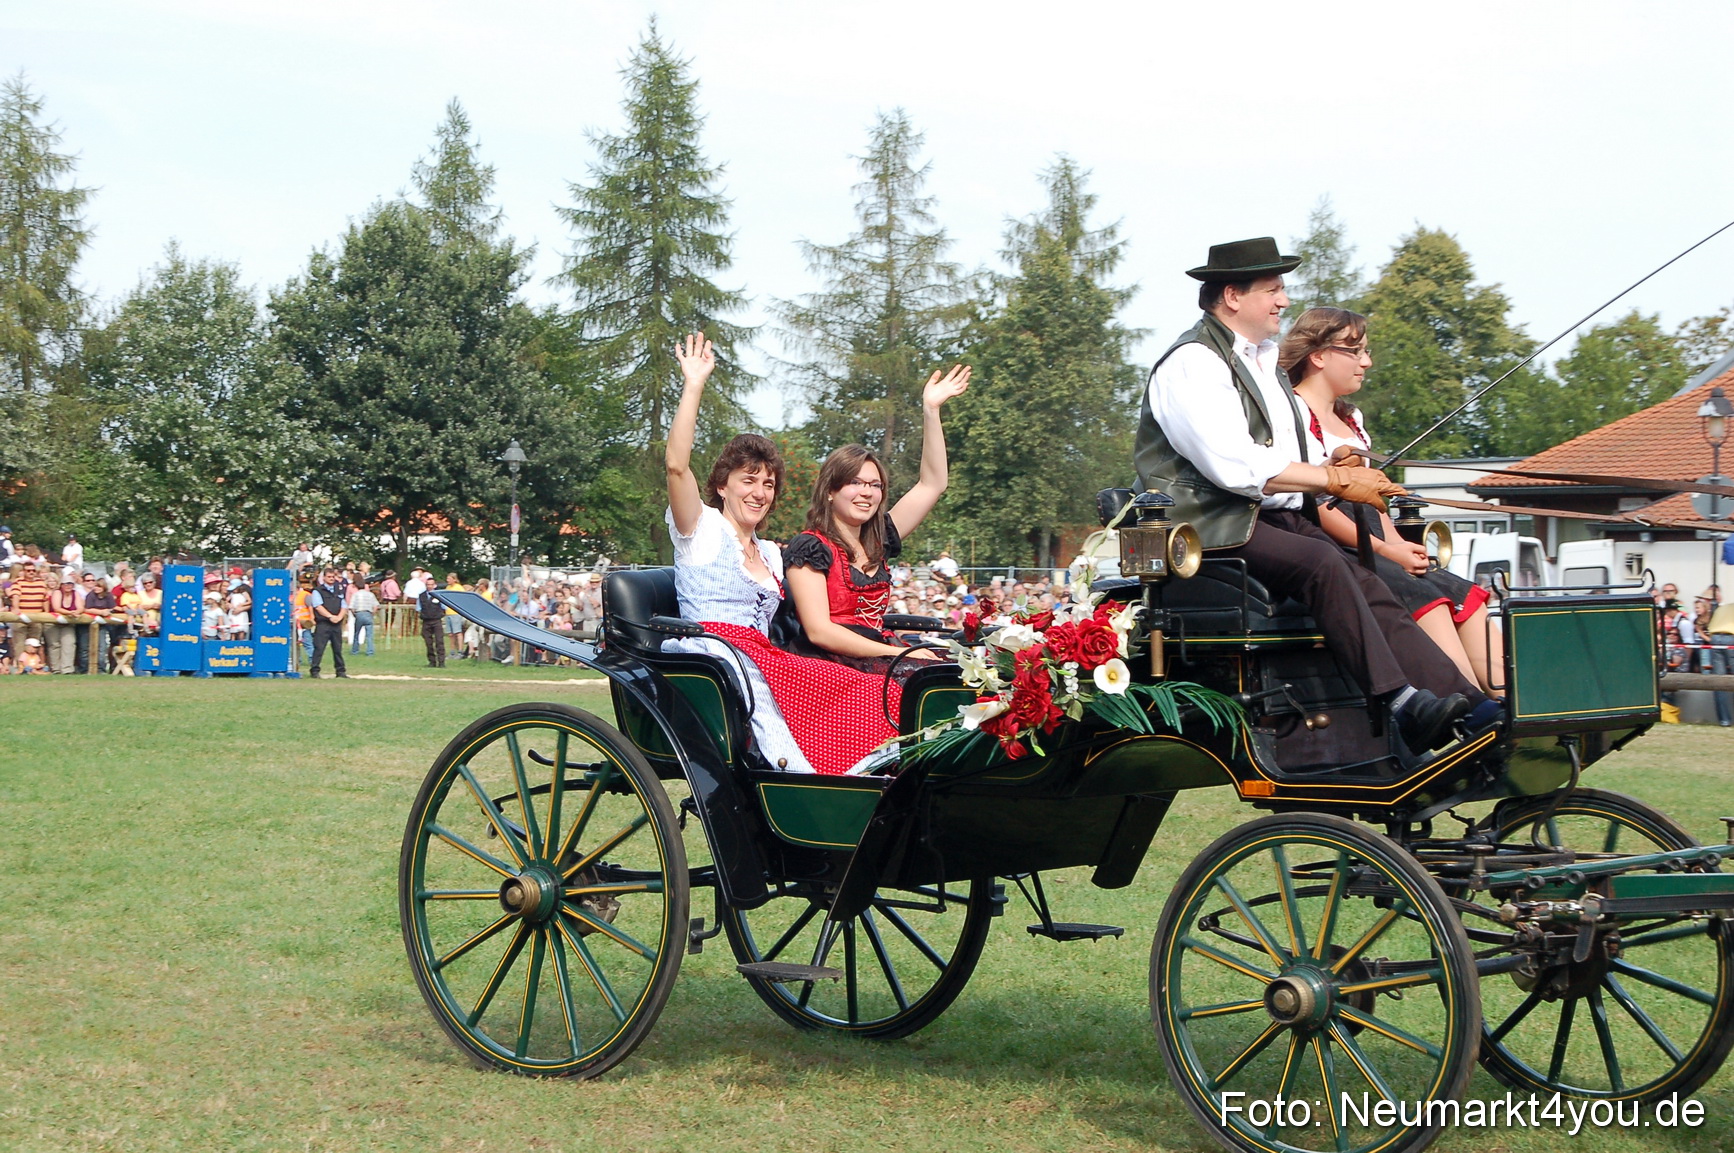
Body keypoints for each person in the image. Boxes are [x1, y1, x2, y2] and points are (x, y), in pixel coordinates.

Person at [1134, 237, 1489, 752]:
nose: (1283, 301)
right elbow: (1235, 466)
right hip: (1207, 523)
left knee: (1370, 577)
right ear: (1233, 295)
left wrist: (1332, 466)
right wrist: (1332, 481)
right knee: (1322, 564)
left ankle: (1468, 705)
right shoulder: (1193, 362)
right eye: (1273, 290)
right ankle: (1399, 702)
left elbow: (1278, 457)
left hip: (1264, 515)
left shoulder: (1263, 365)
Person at [665, 332, 900, 775]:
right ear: (722, 485)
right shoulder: (700, 529)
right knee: (823, 686)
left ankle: (863, 779)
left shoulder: (773, 554)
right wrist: (693, 384)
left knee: (858, 685)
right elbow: (677, 465)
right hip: (716, 655)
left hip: (764, 655)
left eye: (768, 484)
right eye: (748, 480)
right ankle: (805, 777)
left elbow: (836, 563)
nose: (759, 493)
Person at [1281, 307, 1505, 695]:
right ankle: (1468, 707)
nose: (1366, 363)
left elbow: (1372, 500)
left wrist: (1400, 545)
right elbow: (1318, 506)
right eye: (1355, 351)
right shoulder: (1292, 413)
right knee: (1426, 598)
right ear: (1318, 356)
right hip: (1331, 543)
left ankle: (1509, 698)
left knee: (1462, 593)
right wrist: (1388, 550)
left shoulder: (1352, 419)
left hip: (1373, 538)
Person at [783, 365, 970, 674]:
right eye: (855, 483)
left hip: (876, 655)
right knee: (919, 680)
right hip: (828, 665)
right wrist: (897, 652)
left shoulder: (880, 536)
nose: (866, 493)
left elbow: (932, 484)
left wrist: (931, 410)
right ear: (830, 490)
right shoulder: (811, 547)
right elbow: (819, 632)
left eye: (875, 485)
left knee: (956, 673)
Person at [306, 565, 349, 678]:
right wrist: (330, 616)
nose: (331, 578)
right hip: (323, 623)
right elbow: (318, 606)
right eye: (329, 576)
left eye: (333, 576)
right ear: (324, 578)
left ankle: (341, 671)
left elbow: (344, 605)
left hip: (336, 624)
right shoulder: (318, 591)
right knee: (319, 648)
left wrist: (339, 617)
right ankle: (314, 671)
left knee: (338, 649)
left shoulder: (339, 589)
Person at [416, 580, 447, 668]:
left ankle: (441, 662)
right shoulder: (421, 596)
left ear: (435, 585)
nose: (429, 586)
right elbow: (418, 608)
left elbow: (444, 607)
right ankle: (432, 662)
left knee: (439, 642)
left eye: (431, 584)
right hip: (426, 621)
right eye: (428, 584)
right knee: (428, 643)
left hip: (437, 621)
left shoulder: (439, 595)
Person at [350, 578, 379, 656]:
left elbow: (352, 607)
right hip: (368, 613)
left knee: (357, 634)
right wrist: (372, 613)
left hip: (359, 613)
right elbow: (376, 605)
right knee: (369, 635)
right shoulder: (370, 594)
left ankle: (355, 651)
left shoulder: (355, 595)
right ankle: (370, 651)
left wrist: (354, 615)